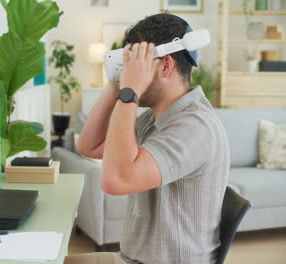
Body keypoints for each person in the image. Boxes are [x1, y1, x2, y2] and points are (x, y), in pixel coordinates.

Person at [66, 13, 230, 264]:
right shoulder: (153, 119)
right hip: (132, 258)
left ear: (166, 65)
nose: (129, 70)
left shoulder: (195, 126)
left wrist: (129, 93)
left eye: (137, 63)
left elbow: (116, 181)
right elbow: (90, 145)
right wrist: (115, 85)